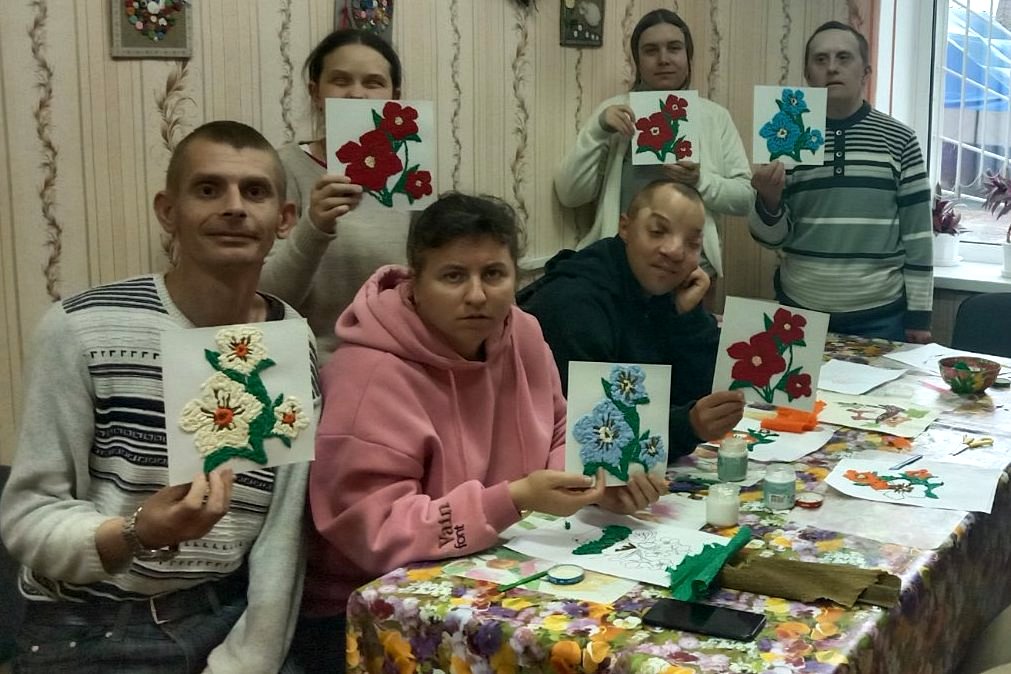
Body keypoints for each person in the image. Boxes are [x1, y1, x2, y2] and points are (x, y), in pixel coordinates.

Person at [295, 192, 666, 673]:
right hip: (368, 611)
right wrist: (511, 499)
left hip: (497, 572)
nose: (476, 295)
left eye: (493, 274)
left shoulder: (523, 332)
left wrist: (593, 484)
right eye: (453, 276)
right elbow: (373, 530)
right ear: (415, 282)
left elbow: (558, 429)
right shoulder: (366, 375)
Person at [0, 121, 315, 673]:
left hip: (228, 618)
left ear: (284, 219)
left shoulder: (289, 339)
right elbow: (28, 516)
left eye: (255, 192)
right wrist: (136, 532)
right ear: (168, 211)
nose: (234, 207)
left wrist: (247, 662)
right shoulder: (83, 329)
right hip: (92, 625)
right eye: (208, 189)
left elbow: (282, 539)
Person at [519, 180, 745, 460]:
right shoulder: (575, 304)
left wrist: (686, 319)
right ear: (625, 227)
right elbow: (597, 434)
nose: (675, 251)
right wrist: (688, 426)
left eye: (692, 243)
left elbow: (706, 396)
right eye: (658, 231)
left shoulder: (665, 291)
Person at [749, 21, 933, 343]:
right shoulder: (786, 138)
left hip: (881, 316)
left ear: (866, 72)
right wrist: (769, 200)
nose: (832, 67)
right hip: (799, 313)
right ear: (808, 75)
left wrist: (919, 317)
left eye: (844, 57)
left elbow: (918, 236)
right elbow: (771, 240)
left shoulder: (900, 140)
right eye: (820, 59)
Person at [554, 9, 752, 288]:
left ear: (688, 56)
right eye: (650, 50)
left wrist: (700, 180)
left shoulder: (715, 117)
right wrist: (599, 131)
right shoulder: (615, 113)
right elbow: (569, 194)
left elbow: (745, 198)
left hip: (692, 271)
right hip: (619, 269)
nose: (663, 59)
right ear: (637, 61)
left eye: (674, 48)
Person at [259, 28, 408, 362]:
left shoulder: (409, 172)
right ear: (316, 93)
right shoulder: (281, 168)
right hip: (310, 364)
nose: (356, 95)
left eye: (373, 83)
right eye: (340, 81)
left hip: (398, 362)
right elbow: (266, 299)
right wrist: (314, 225)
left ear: (394, 97)